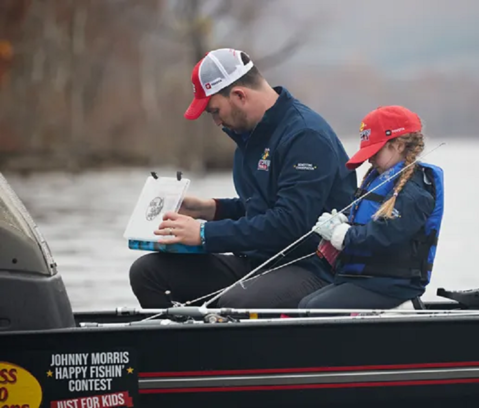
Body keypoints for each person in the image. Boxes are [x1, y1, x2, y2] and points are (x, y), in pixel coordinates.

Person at [129, 48, 356, 309]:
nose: (216, 122)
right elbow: (259, 208)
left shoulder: (305, 137)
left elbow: (291, 224)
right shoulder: (250, 138)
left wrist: (204, 234)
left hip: (313, 267)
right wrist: (209, 209)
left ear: (239, 95)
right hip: (258, 262)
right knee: (147, 272)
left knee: (234, 302)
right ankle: (175, 345)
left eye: (214, 111)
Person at [299, 105, 444, 310]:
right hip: (364, 279)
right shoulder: (378, 178)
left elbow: (387, 234)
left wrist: (343, 235)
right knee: (304, 304)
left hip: (392, 285)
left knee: (314, 307)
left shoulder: (416, 191)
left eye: (376, 150)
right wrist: (341, 221)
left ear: (399, 145)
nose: (370, 158)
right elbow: (365, 215)